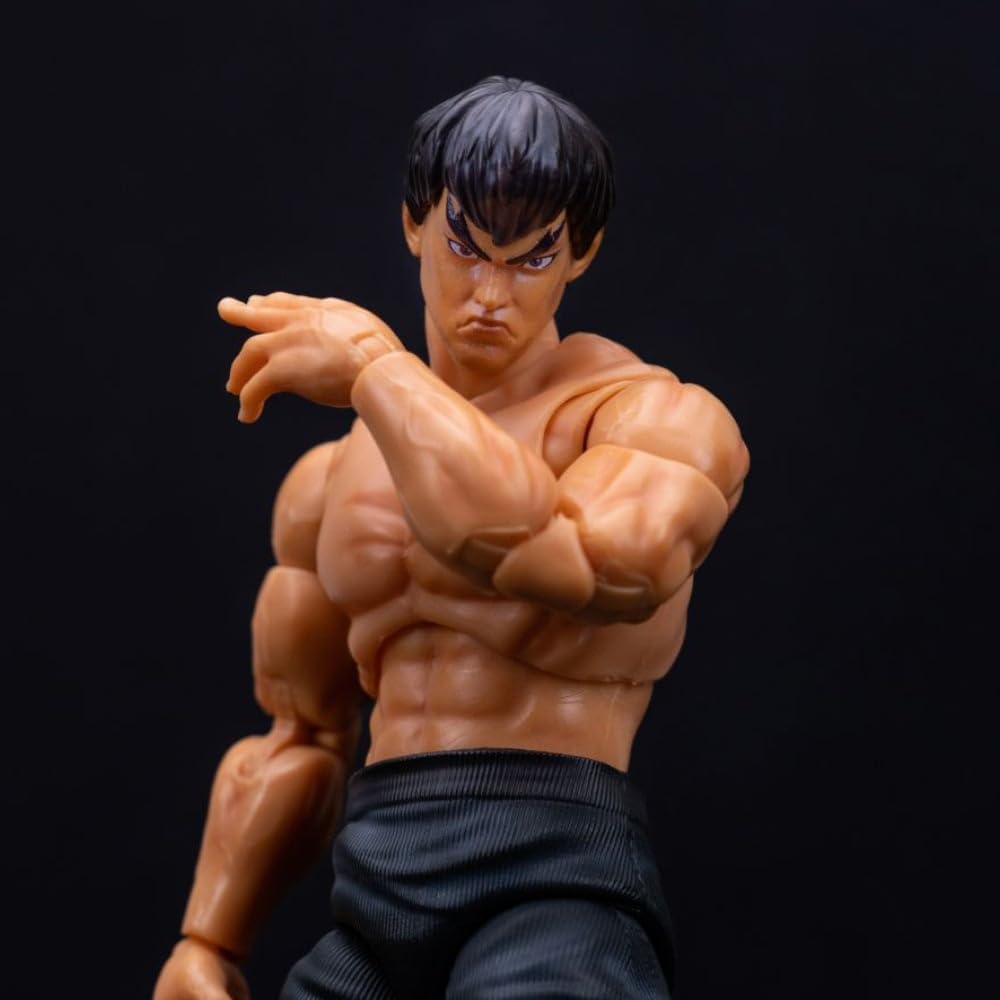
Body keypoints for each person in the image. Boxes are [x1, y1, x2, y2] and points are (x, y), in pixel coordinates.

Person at [154, 76, 749, 1000]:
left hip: (555, 867)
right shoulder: (327, 482)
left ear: (581, 252)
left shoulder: (650, 421)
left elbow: (579, 559)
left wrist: (378, 373)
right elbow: (302, 732)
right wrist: (210, 941)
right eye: (466, 246)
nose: (489, 294)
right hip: (377, 878)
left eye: (531, 257)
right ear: (414, 224)